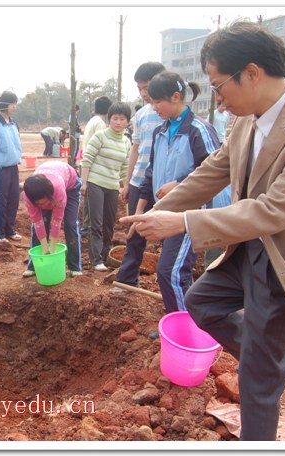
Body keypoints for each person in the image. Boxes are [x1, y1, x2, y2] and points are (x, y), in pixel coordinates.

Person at [121, 21, 285, 441]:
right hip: (246, 248)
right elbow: (212, 171)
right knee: (201, 300)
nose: (218, 99)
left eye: (218, 86)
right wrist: (159, 210)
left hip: (283, 258)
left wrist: (184, 223)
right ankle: (269, 357)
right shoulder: (248, 119)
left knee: (256, 387)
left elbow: (276, 210)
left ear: (251, 73)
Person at [128, 71, 222, 328]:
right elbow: (150, 175)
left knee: (170, 272)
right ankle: (182, 321)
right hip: (165, 212)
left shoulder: (198, 130)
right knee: (175, 272)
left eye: (158, 102)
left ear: (176, 97)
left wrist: (180, 184)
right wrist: (141, 213)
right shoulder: (160, 131)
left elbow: (216, 171)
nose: (154, 107)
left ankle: (185, 331)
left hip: (190, 213)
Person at [115, 62, 165, 289]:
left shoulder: (169, 112)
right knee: (135, 233)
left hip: (164, 184)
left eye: (147, 87)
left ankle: (175, 282)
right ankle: (127, 280)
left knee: (171, 234)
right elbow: (135, 149)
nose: (144, 94)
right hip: (139, 181)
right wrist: (127, 183)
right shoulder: (141, 116)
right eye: (140, 89)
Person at [80, 102, 131, 272]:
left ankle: (106, 253)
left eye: (122, 119)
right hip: (95, 183)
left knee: (109, 223)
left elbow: (125, 167)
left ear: (127, 122)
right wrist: (85, 183)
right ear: (109, 120)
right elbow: (87, 159)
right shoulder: (100, 136)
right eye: (115, 119)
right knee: (96, 222)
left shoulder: (126, 142)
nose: (118, 122)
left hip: (112, 186)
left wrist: (125, 187)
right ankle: (96, 259)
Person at [21, 161, 82, 278]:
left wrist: (52, 250)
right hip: (47, 187)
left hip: (70, 185)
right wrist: (45, 249)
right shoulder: (29, 196)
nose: (43, 205)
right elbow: (37, 221)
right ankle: (33, 266)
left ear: (48, 195)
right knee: (38, 225)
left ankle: (75, 266)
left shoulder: (58, 190)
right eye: (39, 203)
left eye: (44, 201)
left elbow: (57, 220)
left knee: (71, 224)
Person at [0, 90, 23, 242]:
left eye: (15, 104)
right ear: (4, 105)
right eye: (12, 104)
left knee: (14, 199)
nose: (14, 107)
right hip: (0, 169)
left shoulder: (14, 124)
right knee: (1, 200)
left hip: (14, 167)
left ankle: (10, 230)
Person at [79, 96, 112, 237]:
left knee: (88, 200)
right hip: (93, 164)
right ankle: (89, 227)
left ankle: (86, 227)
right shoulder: (99, 123)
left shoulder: (92, 121)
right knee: (92, 200)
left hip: (87, 162)